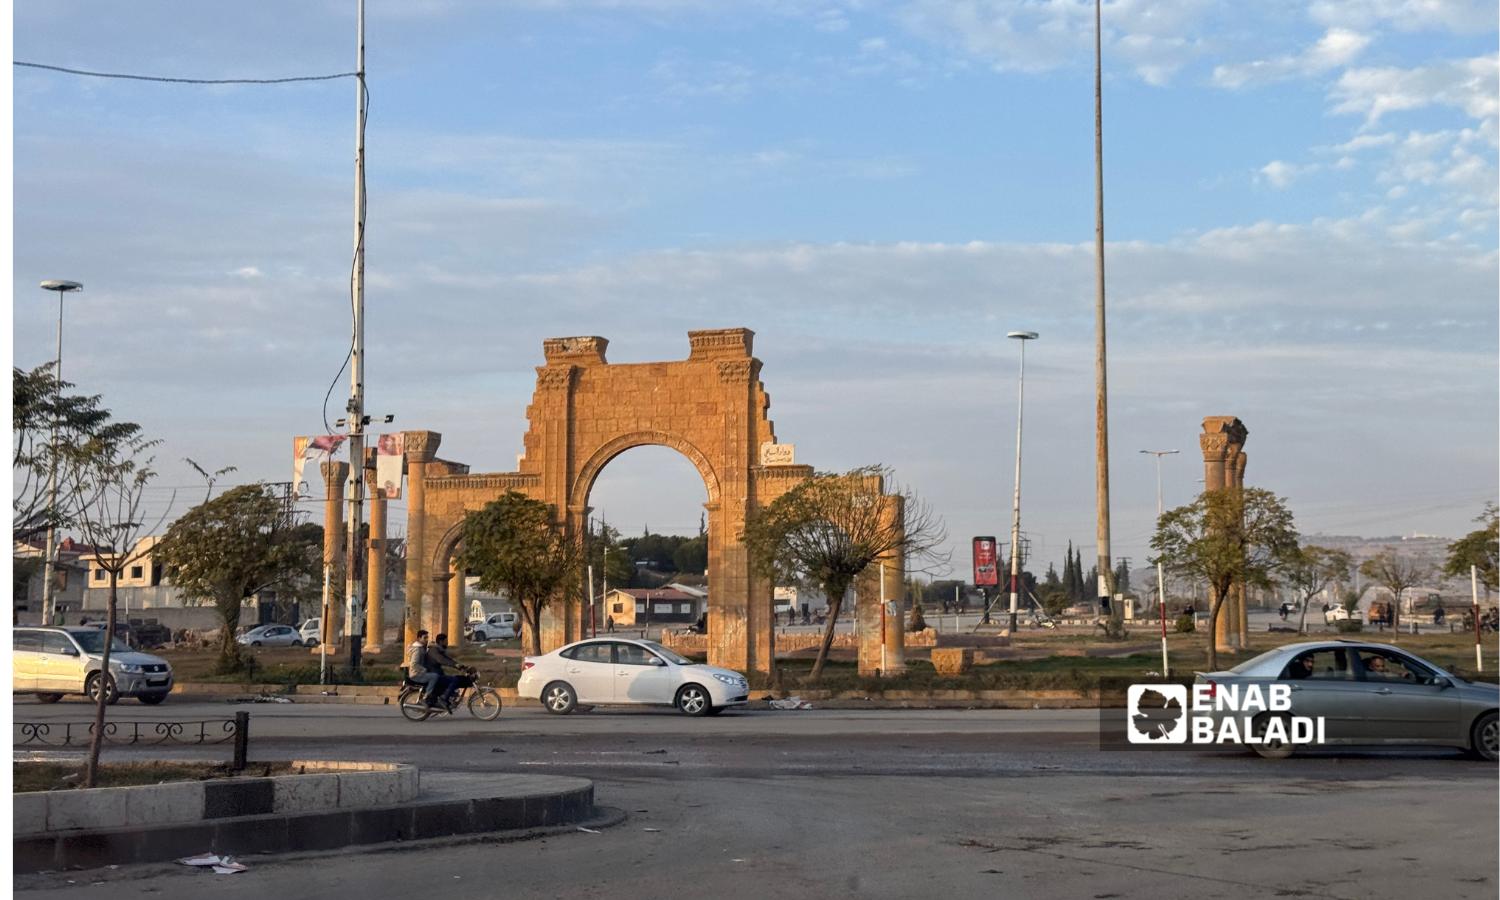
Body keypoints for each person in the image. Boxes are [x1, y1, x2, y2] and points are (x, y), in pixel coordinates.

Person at [426, 633, 465, 708]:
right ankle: (443, 699)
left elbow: (448, 659)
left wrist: (458, 666)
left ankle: (448, 698)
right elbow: (441, 660)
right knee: (454, 680)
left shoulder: (439, 649)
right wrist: (454, 665)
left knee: (453, 679)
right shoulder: (433, 650)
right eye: (446, 641)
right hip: (433, 673)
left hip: (437, 672)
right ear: (441, 641)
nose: (447, 642)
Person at [405, 630, 440, 706]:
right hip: (416, 674)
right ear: (419, 638)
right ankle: (426, 698)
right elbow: (414, 664)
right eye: (425, 638)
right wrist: (424, 670)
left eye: (427, 637)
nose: (426, 639)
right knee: (434, 677)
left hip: (419, 673)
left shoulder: (421, 647)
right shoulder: (417, 650)